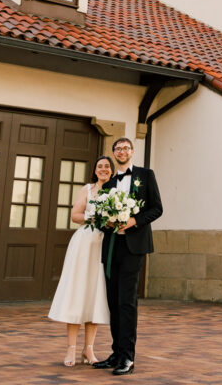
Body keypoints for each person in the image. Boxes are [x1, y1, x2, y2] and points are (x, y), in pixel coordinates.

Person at [92, 137, 163, 376]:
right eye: (117, 148)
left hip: (134, 246)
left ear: (132, 151)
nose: (121, 151)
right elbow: (99, 217)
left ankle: (128, 357)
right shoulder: (109, 183)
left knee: (126, 301)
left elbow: (156, 208)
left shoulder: (146, 175)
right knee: (113, 301)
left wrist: (133, 220)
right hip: (112, 246)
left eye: (125, 148)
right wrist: (108, 222)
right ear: (113, 153)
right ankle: (116, 353)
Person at [48, 154, 114, 367]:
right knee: (77, 293)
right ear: (95, 171)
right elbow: (75, 215)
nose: (103, 169)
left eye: (107, 166)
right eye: (99, 166)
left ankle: (89, 350)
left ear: (111, 171)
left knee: (95, 295)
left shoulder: (116, 192)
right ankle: (71, 350)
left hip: (103, 246)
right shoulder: (87, 190)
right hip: (84, 244)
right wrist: (94, 217)